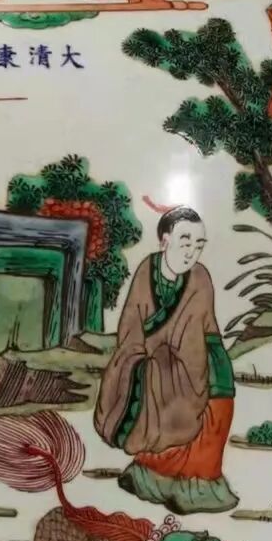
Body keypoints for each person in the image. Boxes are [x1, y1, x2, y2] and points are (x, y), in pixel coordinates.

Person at [94, 206, 238, 514]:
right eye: (185, 242)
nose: (191, 252)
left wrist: (172, 365)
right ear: (164, 240)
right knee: (152, 391)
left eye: (199, 245)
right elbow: (131, 327)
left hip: (201, 358)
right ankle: (151, 476)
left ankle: (197, 487)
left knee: (215, 408)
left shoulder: (200, 278)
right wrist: (146, 360)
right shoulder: (146, 271)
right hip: (153, 361)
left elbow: (197, 336)